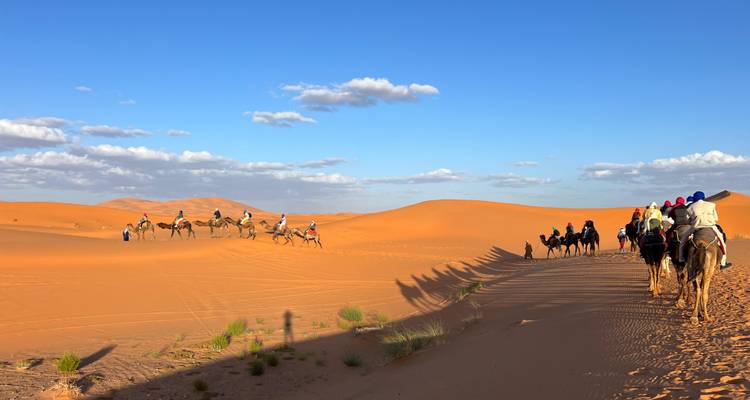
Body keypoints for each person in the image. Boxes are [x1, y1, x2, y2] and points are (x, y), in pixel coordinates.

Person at [678, 191, 730, 269]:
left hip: (695, 228)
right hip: (711, 227)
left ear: (695, 198)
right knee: (722, 242)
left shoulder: (690, 207)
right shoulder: (711, 205)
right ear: (703, 197)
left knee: (682, 242)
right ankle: (723, 263)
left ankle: (681, 260)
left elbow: (688, 220)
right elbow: (716, 218)